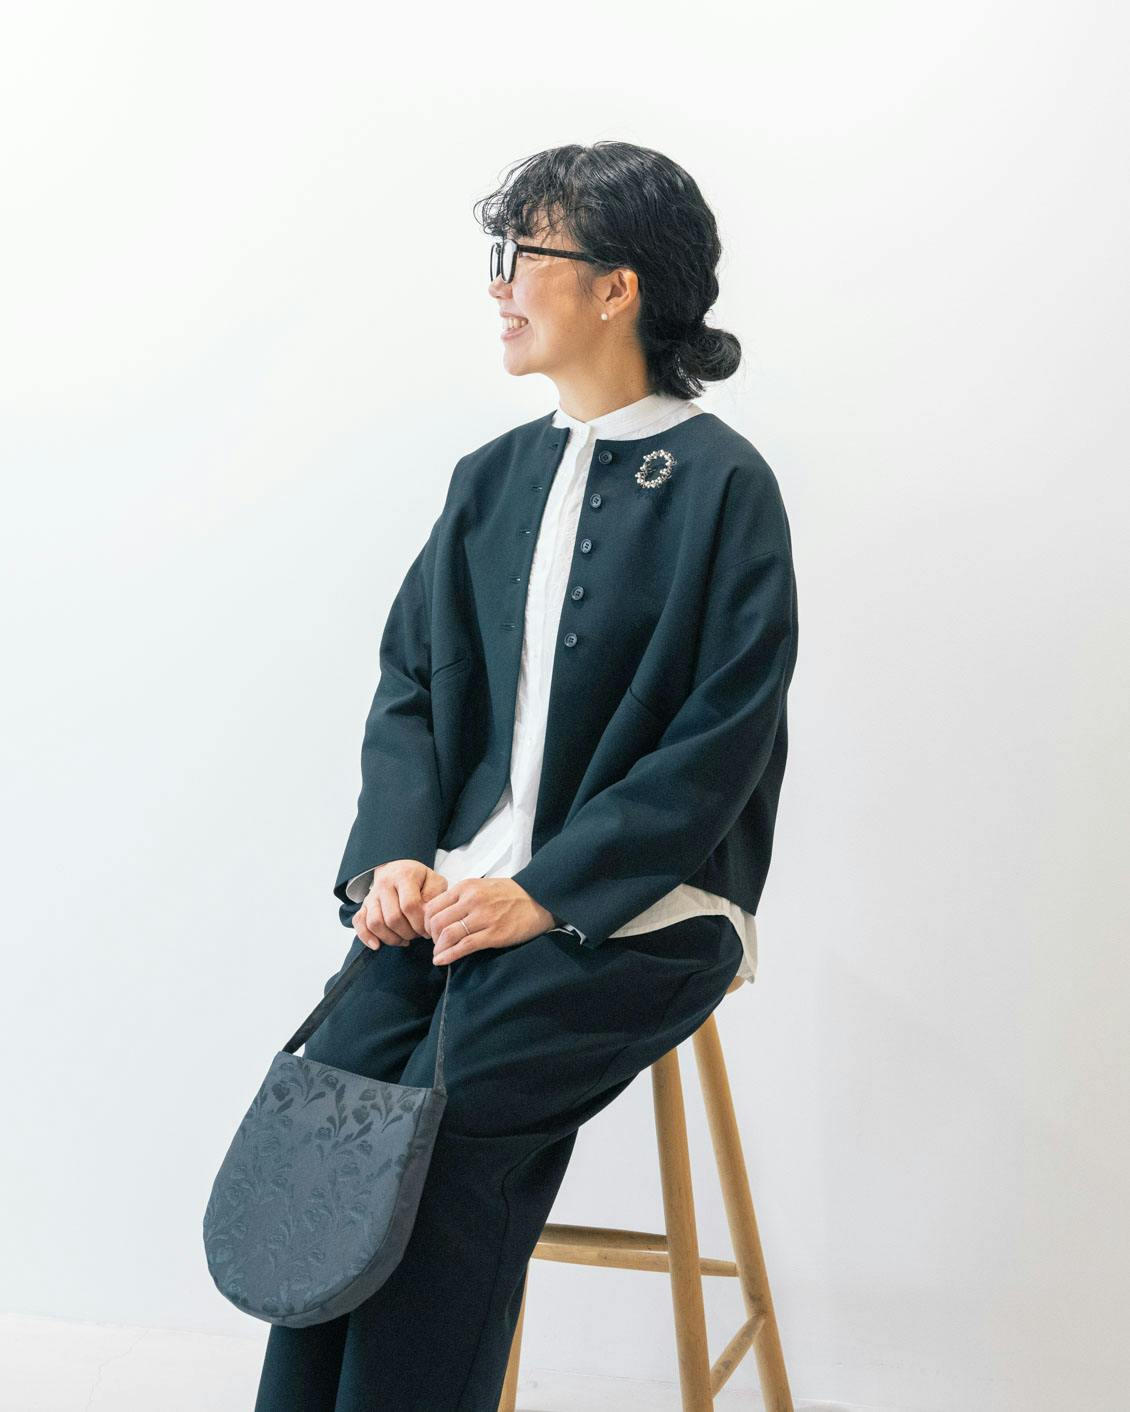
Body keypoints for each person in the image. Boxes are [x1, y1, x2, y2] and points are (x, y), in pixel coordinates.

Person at [254, 139, 800, 1411]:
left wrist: (545, 892)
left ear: (616, 287)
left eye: (523, 254)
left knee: (443, 1131)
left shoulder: (725, 487)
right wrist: (396, 857)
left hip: (641, 909)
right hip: (459, 899)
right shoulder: (490, 478)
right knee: (336, 1102)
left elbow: (719, 740)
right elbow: (412, 684)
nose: (497, 285)